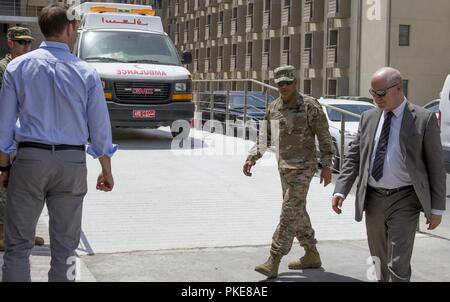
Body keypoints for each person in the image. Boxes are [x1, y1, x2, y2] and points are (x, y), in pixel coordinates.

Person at [0, 3, 117, 282]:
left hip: (30, 160)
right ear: (70, 28)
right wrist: (106, 167)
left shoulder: (16, 67)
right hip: (71, 163)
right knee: (66, 248)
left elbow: (4, 128)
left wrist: (3, 169)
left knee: (17, 246)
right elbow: (100, 128)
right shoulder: (87, 72)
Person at [331, 67, 446, 282]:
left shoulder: (423, 119)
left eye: (380, 93)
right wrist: (341, 191)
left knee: (398, 264)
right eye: (373, 93)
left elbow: (436, 168)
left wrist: (437, 208)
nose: (376, 98)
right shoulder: (368, 117)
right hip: (373, 198)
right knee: (378, 260)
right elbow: (354, 158)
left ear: (398, 88)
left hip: (405, 199)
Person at [243, 65, 333, 279]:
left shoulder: (309, 105)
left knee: (288, 212)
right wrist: (251, 157)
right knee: (297, 211)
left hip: (304, 168)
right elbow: (264, 137)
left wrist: (327, 165)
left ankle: (274, 259)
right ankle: (311, 253)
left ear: (295, 83)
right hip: (284, 168)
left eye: (287, 82)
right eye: (280, 83)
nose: (284, 87)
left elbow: (324, 135)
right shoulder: (274, 107)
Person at [0, 26, 45, 252]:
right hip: (8, 135)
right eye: (21, 42)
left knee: (28, 190)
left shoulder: (33, 68)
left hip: (28, 135)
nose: (26, 46)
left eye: (28, 42)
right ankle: (1, 233)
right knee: (4, 188)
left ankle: (27, 231)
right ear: (10, 43)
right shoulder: (3, 68)